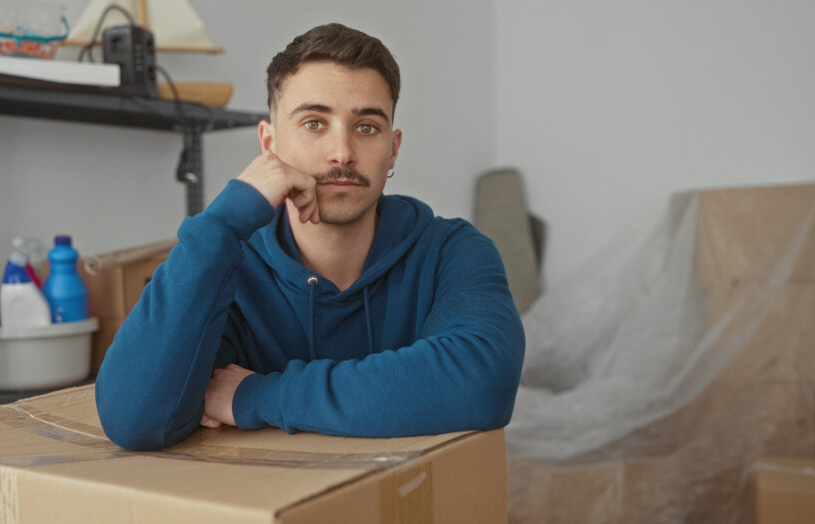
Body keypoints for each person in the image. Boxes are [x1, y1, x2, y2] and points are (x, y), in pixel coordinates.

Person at [96, 23, 525, 451]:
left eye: (367, 127)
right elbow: (134, 419)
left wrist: (256, 395)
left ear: (393, 149)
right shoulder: (228, 267)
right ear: (270, 143)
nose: (342, 152)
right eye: (314, 123)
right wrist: (224, 222)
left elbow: (483, 382)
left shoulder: (453, 252)